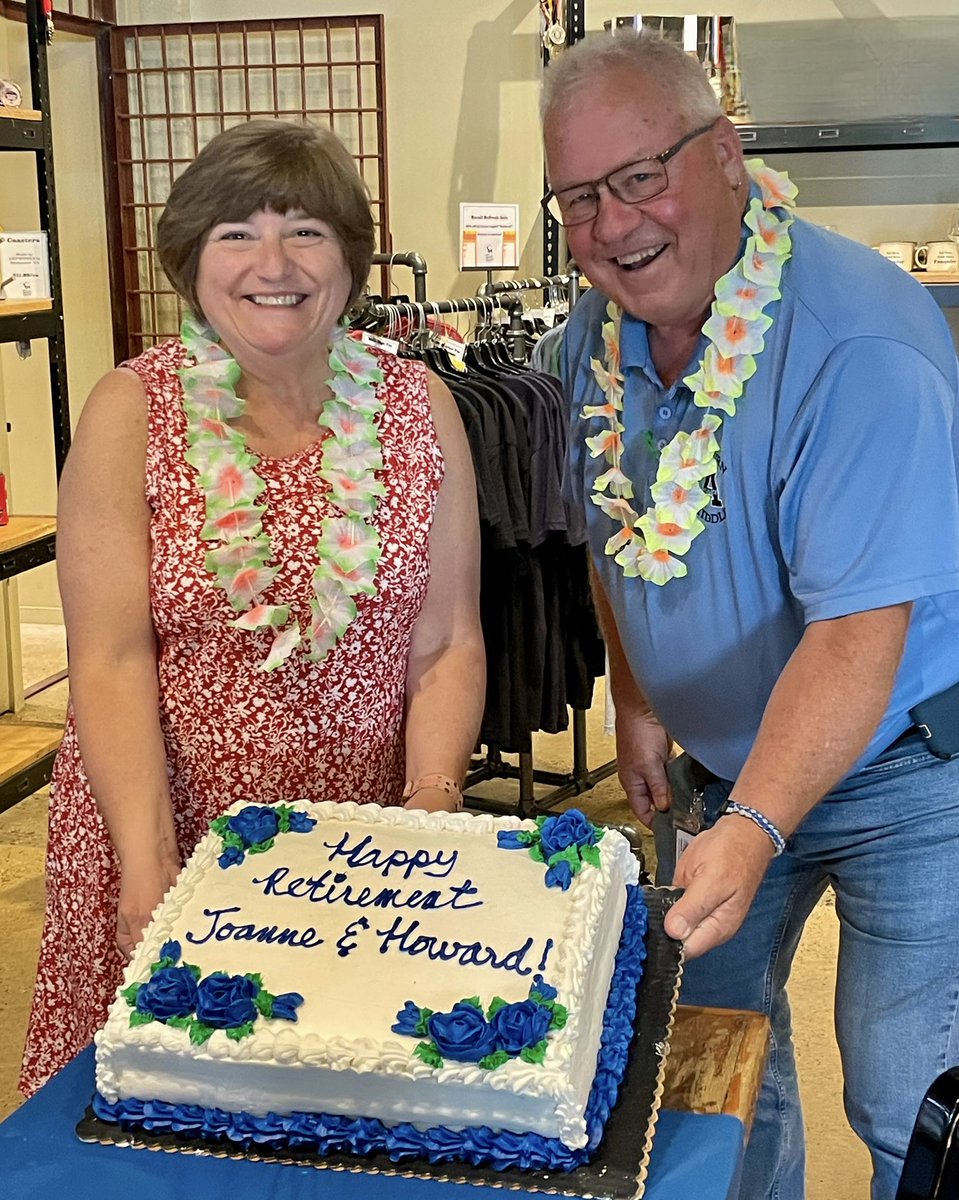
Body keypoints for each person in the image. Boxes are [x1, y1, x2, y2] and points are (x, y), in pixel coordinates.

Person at [542, 31, 959, 1200]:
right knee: (710, 1068)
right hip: (720, 769)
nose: (615, 225)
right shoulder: (591, 339)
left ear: (724, 156)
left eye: (641, 175)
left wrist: (760, 822)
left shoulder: (856, 346)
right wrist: (634, 702)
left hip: (911, 768)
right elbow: (610, 537)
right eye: (579, 196)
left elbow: (854, 638)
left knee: (904, 1090)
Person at [20, 120, 485, 1096]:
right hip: (167, 826)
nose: (272, 263)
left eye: (305, 230)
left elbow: (447, 640)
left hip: (362, 845)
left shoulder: (417, 407)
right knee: (166, 1125)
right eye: (235, 232)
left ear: (352, 260)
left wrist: (426, 818)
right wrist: (147, 867)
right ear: (190, 261)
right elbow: (108, 659)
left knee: (346, 1102)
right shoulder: (128, 410)